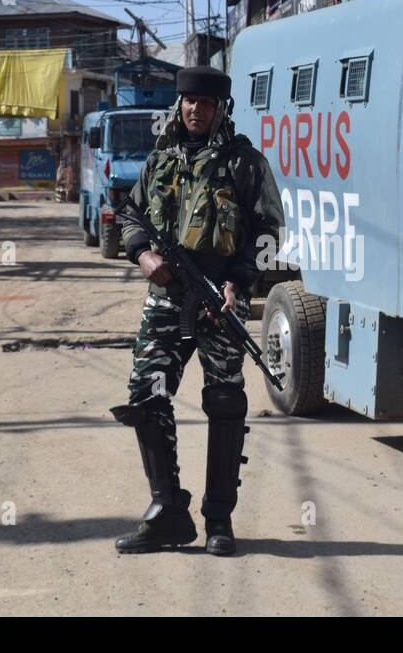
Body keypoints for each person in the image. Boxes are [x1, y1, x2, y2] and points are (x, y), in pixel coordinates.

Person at [111, 66, 283, 556]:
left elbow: (269, 233)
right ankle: (167, 511)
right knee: (146, 397)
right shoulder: (160, 159)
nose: (195, 110)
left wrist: (240, 282)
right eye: (189, 102)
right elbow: (130, 214)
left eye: (206, 103)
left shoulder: (245, 164)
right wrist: (144, 255)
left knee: (225, 402)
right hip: (166, 300)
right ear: (179, 105)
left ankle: (219, 519)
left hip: (219, 299)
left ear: (220, 109)